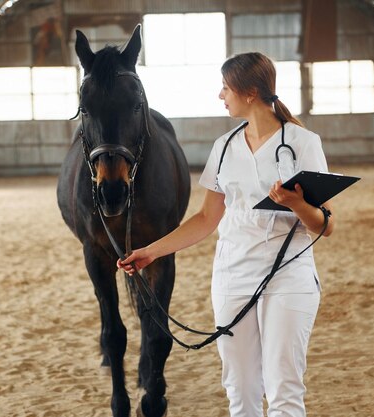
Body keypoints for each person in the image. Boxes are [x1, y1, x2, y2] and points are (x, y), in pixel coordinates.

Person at [117, 52, 334, 417]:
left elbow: (325, 225)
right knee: (240, 388)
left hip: (288, 278)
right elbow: (205, 218)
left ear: (249, 92)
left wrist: (297, 204)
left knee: (284, 387)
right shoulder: (224, 147)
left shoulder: (302, 143)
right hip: (232, 277)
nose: (221, 95)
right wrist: (151, 251)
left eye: (225, 87)